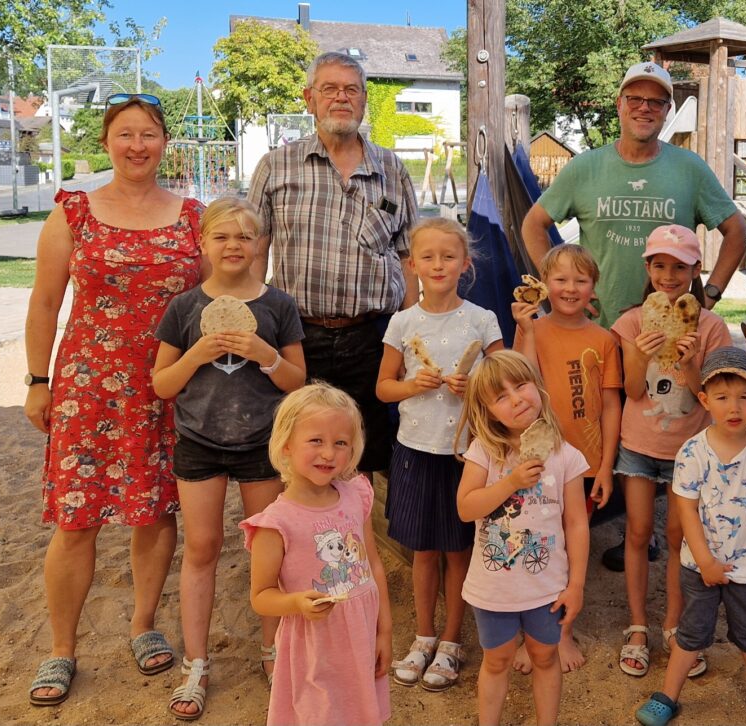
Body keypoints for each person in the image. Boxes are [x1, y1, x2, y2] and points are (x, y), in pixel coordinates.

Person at [24, 94, 203, 706]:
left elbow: (213, 301)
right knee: (77, 519)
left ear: (164, 142)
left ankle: (143, 623)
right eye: (125, 134)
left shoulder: (193, 218)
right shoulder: (73, 213)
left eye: (148, 134)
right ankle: (60, 649)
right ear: (107, 142)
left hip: (166, 386)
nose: (136, 145)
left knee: (154, 512)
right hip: (87, 390)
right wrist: (37, 380)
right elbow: (45, 303)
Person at [152, 198, 307, 719]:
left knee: (268, 551)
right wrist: (198, 351)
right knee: (202, 547)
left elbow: (296, 380)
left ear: (261, 244)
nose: (234, 246)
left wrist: (265, 354)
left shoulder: (278, 306)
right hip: (198, 441)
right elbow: (163, 384)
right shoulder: (185, 308)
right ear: (203, 245)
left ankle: (273, 652)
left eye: (245, 236)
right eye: (222, 237)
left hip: (263, 444)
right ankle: (195, 662)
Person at [247, 50, 418, 476]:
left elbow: (410, 257)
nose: (340, 98)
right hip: (297, 337)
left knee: (372, 449)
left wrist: (413, 332)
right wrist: (256, 325)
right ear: (309, 99)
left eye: (351, 90)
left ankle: (364, 539)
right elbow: (254, 250)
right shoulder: (276, 165)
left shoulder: (392, 169)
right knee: (301, 448)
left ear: (363, 101)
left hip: (375, 337)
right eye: (329, 89)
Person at [634, 347, 746, 726]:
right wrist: (705, 560)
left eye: (743, 397)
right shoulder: (692, 451)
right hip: (698, 566)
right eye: (722, 398)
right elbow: (686, 510)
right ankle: (668, 697)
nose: (733, 407)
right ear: (705, 401)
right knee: (691, 633)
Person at [522, 60, 746, 328]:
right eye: (635, 99)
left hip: (667, 330)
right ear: (619, 104)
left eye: (656, 102)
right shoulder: (585, 167)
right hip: (596, 326)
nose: (645, 107)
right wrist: (557, 284)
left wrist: (710, 293)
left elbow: (738, 230)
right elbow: (533, 224)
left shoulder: (690, 168)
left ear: (667, 110)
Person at [376, 218, 504, 691]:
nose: (437, 264)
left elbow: (504, 378)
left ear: (464, 264)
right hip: (414, 451)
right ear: (411, 265)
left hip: (466, 456)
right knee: (422, 552)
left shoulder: (481, 319)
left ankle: (451, 641)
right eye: (427, 257)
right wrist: (414, 385)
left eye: (448, 257)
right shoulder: (402, 322)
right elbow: (384, 388)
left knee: (457, 550)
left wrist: (478, 385)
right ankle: (423, 634)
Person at [610, 225, 732, 678]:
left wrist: (690, 360)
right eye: (659, 265)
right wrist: (642, 356)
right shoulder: (632, 321)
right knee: (639, 534)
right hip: (640, 446)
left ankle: (674, 624)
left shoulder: (712, 326)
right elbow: (631, 391)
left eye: (679, 266)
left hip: (690, 452)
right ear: (647, 267)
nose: (668, 275)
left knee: (681, 541)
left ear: (695, 270)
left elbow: (711, 397)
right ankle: (638, 626)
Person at [241, 383, 393, 725]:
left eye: (340, 442)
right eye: (316, 441)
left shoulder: (356, 494)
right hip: (314, 649)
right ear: (286, 444)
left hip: (362, 635)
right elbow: (261, 597)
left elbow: (373, 565)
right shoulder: (275, 524)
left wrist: (385, 632)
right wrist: (296, 604)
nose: (329, 453)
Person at [455, 351, 590, 726]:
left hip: (546, 589)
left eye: (521, 385)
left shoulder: (567, 456)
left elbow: (577, 523)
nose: (516, 399)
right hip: (493, 589)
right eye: (501, 397)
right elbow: (466, 508)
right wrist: (511, 481)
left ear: (538, 386)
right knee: (496, 660)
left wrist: (576, 584)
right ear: (488, 412)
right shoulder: (484, 451)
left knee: (545, 657)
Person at [512, 244, 622, 672]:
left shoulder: (604, 339)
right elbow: (522, 385)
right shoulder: (534, 328)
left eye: (580, 280)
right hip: (539, 460)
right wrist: (525, 331)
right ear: (544, 285)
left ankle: (562, 632)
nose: (570, 288)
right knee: (538, 544)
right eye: (560, 279)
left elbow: (612, 406)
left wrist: (607, 467)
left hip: (587, 465)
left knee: (570, 547)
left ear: (593, 287)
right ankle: (532, 633)